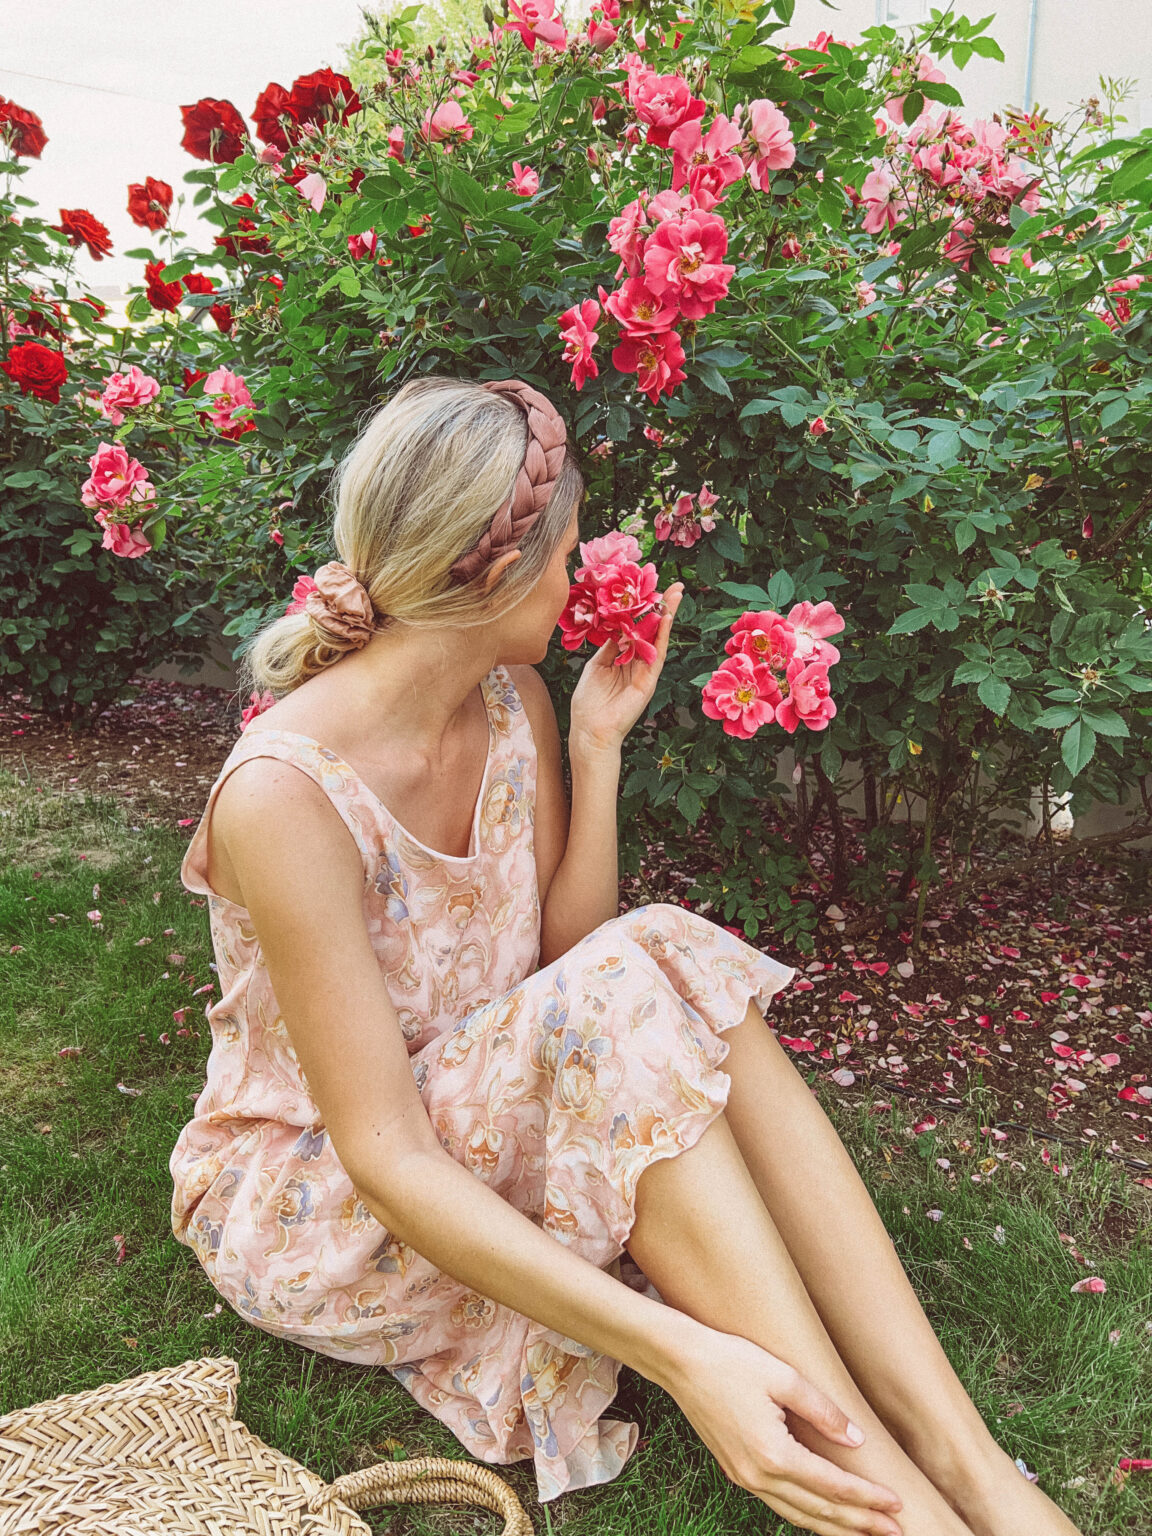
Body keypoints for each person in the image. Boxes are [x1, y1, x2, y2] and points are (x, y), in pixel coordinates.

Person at [170, 376, 1081, 1536]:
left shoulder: (512, 698)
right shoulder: (285, 797)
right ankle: (891, 1500)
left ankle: (966, 1458)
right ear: (498, 572)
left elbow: (570, 954)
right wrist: (683, 1357)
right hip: (328, 1203)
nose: (578, 581)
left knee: (648, 953)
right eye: (566, 555)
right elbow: (387, 1156)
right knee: (621, 995)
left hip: (486, 1103)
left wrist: (596, 748)